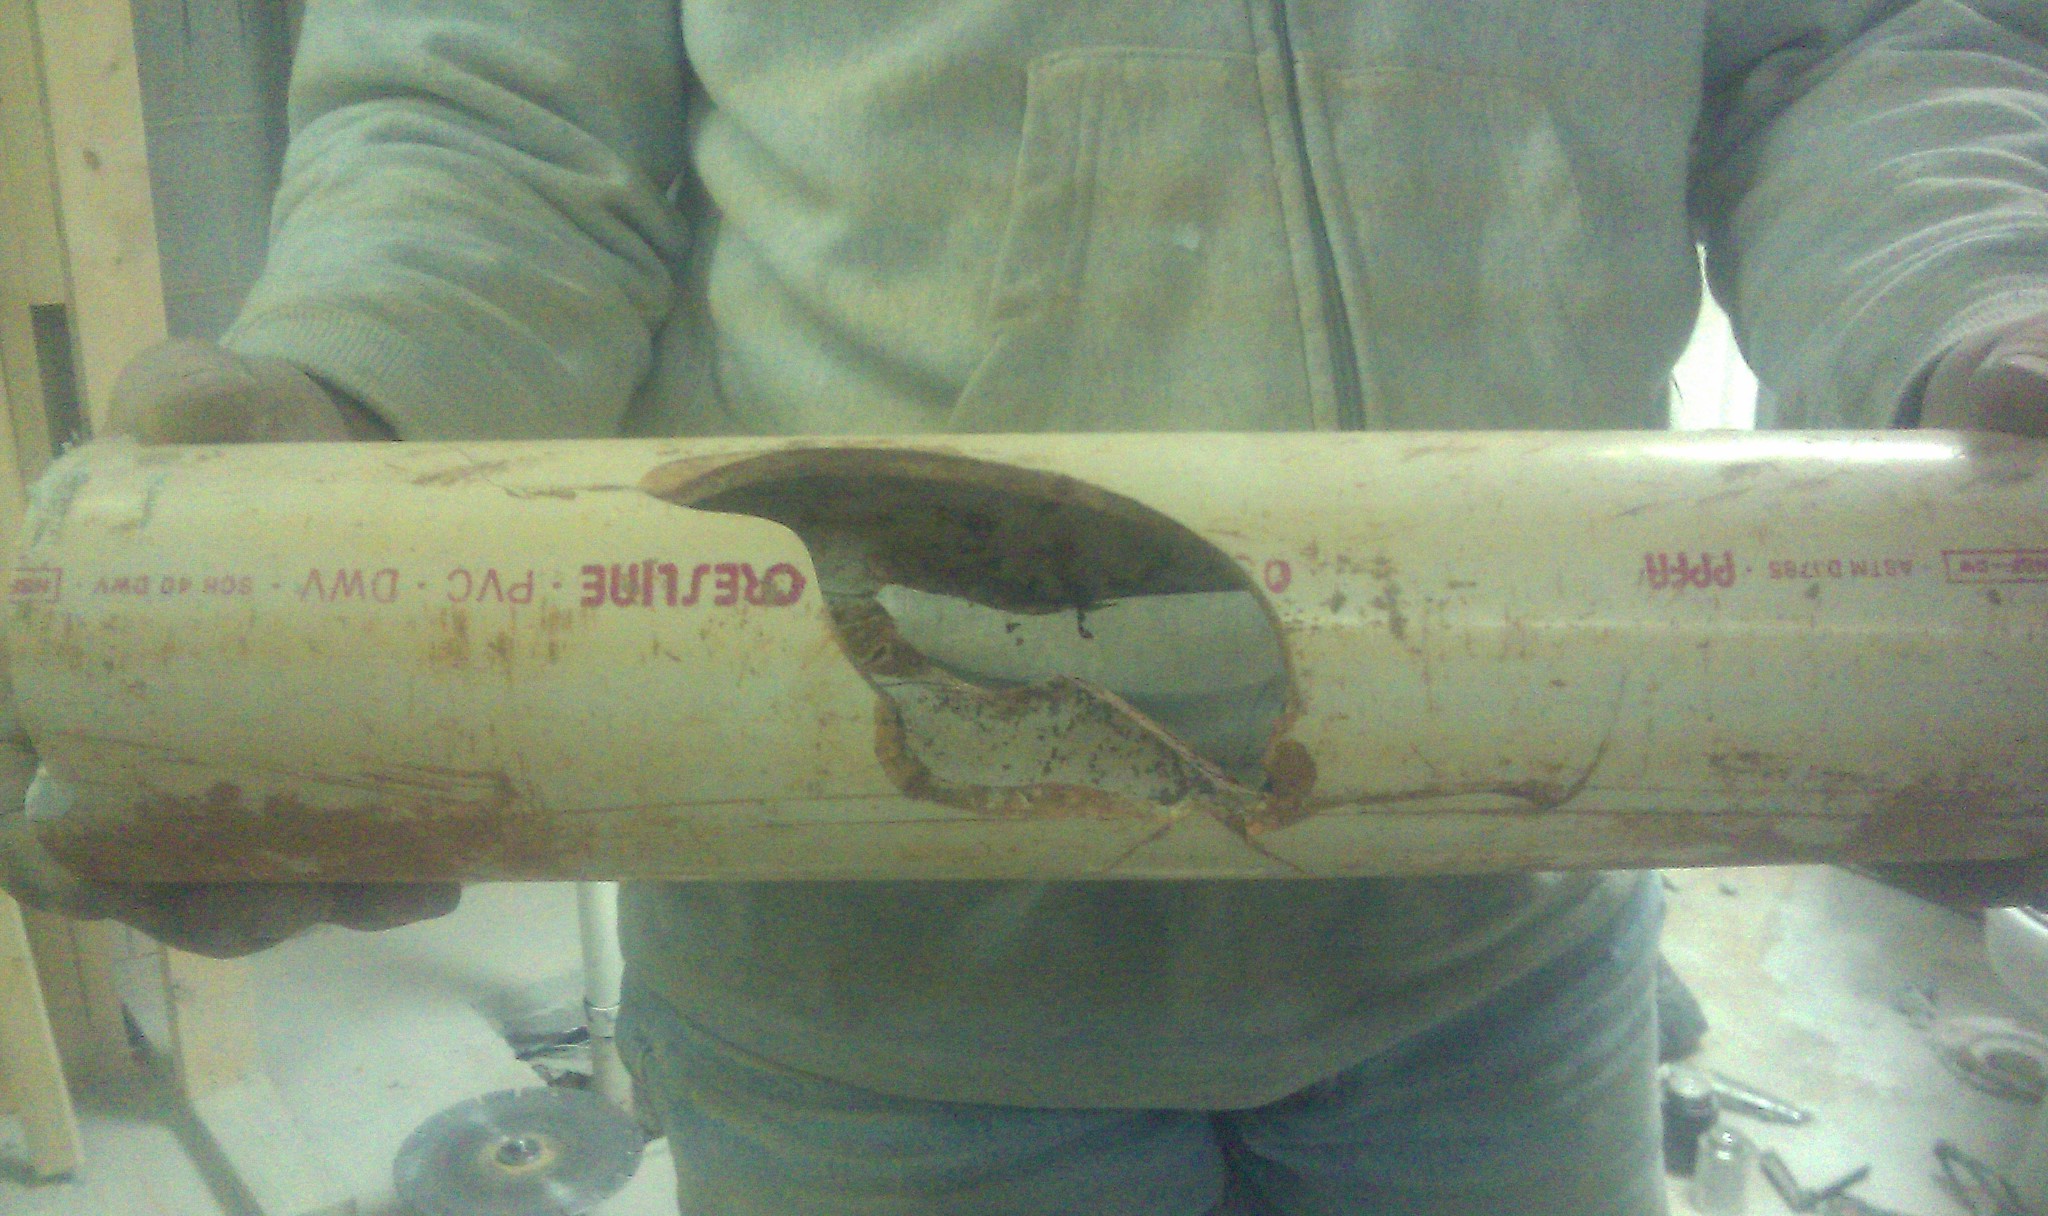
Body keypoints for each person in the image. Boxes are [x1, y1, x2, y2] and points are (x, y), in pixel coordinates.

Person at [6, 2, 2048, 1212]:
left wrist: (1972, 314)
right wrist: (340, 438)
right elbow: (499, 108)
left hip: (1497, 939)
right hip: (873, 1001)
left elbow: (1844, 41)